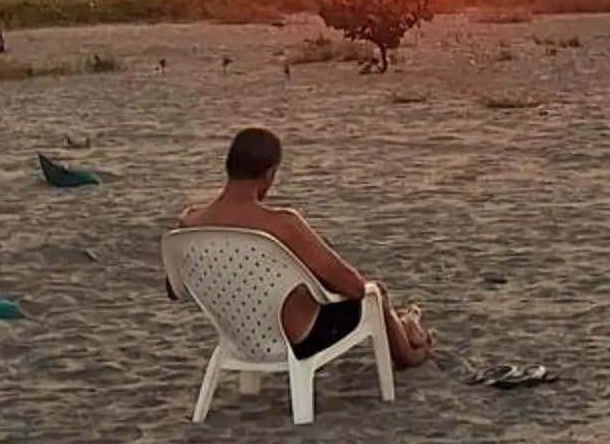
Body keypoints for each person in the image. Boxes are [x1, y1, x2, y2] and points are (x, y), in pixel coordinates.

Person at [177, 126, 434, 367]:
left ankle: (406, 326)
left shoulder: (190, 221)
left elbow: (176, 289)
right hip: (298, 339)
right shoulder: (282, 224)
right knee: (377, 293)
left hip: (237, 337)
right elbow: (353, 288)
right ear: (269, 174)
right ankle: (411, 350)